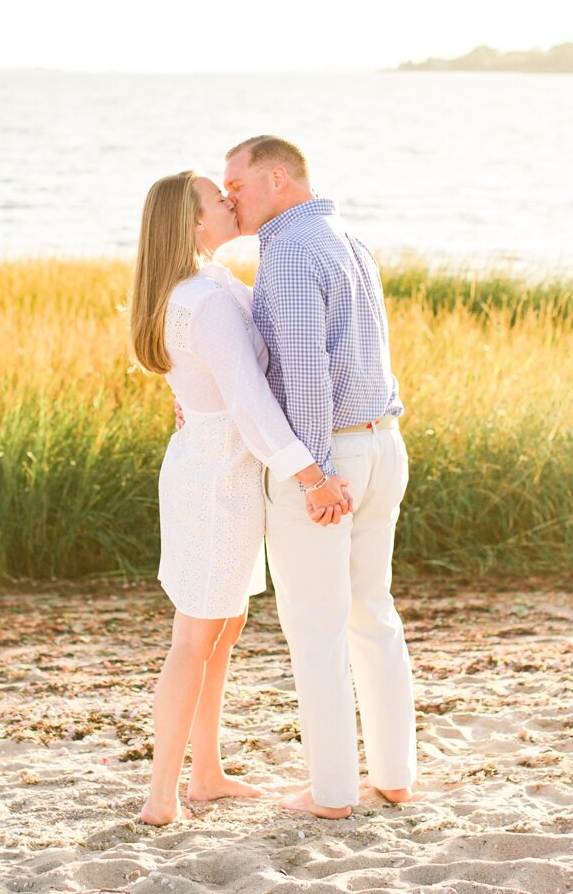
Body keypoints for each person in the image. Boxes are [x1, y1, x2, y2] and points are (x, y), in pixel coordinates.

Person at [129, 169, 352, 826]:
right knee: (195, 637)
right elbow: (251, 402)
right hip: (214, 485)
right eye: (214, 198)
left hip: (216, 469)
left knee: (223, 630)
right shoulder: (204, 300)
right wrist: (311, 476)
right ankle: (161, 797)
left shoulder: (210, 286)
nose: (228, 200)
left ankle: (206, 774)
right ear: (194, 223)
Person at [221, 136, 418, 819]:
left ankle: (332, 793)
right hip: (383, 442)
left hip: (331, 456)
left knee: (316, 625)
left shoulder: (290, 248)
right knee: (373, 613)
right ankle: (394, 775)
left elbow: (306, 370)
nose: (229, 198)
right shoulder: (346, 237)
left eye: (238, 184)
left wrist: (315, 474)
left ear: (278, 178)